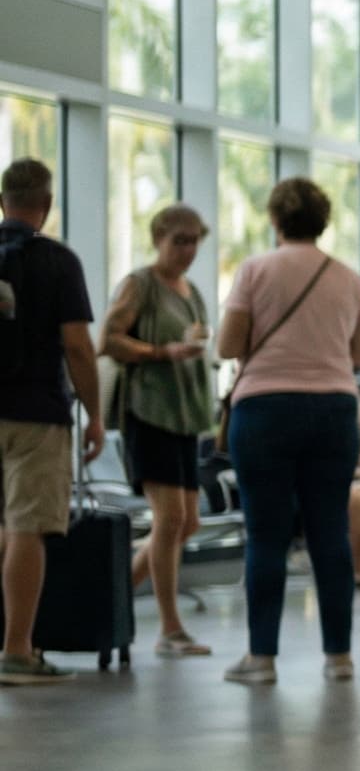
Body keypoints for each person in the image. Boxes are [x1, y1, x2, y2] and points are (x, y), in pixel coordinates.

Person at [218, 177, 360, 686]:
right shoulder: (348, 278)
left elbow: (227, 344)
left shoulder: (255, 270)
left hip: (263, 409)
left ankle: (261, 659)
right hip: (332, 410)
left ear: (275, 219)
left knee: (266, 535)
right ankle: (339, 658)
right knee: (331, 532)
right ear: (322, 220)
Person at [0, 159, 106, 686]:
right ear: (45, 204)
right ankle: (18, 648)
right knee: (26, 527)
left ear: (3, 202)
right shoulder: (58, 261)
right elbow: (78, 348)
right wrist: (94, 413)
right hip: (38, 413)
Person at [101, 204, 219, 659]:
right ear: (159, 238)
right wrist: (159, 351)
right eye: (180, 241)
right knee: (169, 519)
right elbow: (108, 341)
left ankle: (110, 597)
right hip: (150, 414)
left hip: (186, 416)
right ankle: (170, 628)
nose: (187, 250)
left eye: (194, 241)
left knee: (187, 521)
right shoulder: (140, 284)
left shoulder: (191, 292)